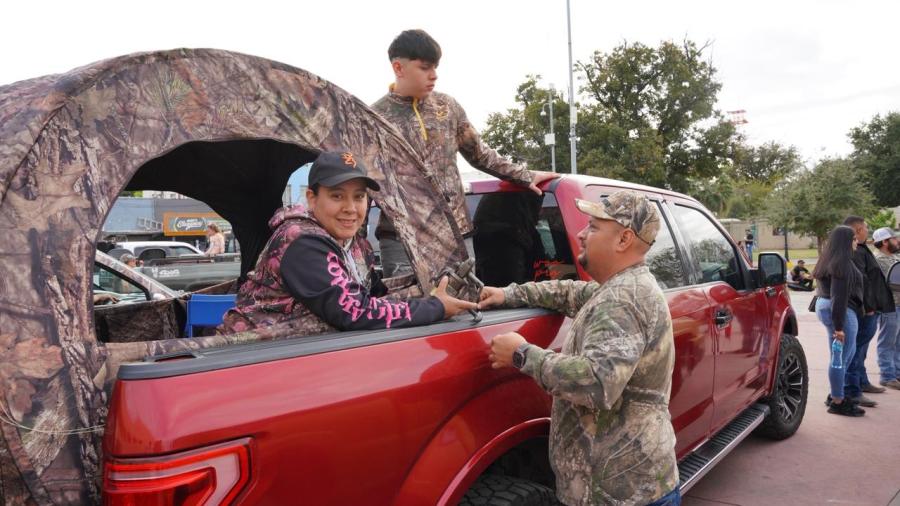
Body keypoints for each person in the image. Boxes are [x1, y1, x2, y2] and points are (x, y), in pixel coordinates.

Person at [479, 190, 679, 506]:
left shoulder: (622, 301)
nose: (582, 234)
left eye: (594, 228)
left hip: (621, 496)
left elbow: (598, 383)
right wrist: (509, 294)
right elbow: (571, 292)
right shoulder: (619, 288)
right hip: (625, 488)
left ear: (624, 239)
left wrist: (522, 354)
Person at [219, 151, 476, 334]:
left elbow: (377, 297)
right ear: (312, 198)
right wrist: (437, 308)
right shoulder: (301, 242)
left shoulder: (356, 244)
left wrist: (443, 293)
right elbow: (354, 312)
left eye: (359, 196)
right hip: (252, 357)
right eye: (337, 196)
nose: (350, 208)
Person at [371, 29, 558, 277]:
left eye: (436, 67)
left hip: (455, 235)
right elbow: (364, 183)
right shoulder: (375, 118)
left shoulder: (447, 107)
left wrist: (523, 176)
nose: (434, 75)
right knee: (406, 312)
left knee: (464, 307)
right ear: (399, 68)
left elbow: (480, 155)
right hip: (401, 238)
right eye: (425, 68)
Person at [813, 225, 866, 417]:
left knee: (841, 356)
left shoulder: (828, 259)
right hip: (840, 311)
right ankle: (837, 401)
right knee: (841, 358)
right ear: (845, 242)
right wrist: (839, 327)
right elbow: (839, 296)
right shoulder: (842, 263)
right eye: (853, 239)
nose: (856, 242)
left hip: (828, 306)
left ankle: (836, 394)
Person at [842, 216, 893, 405]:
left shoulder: (861, 248)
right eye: (865, 228)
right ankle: (853, 390)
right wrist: (869, 306)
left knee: (860, 350)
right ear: (856, 230)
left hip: (869, 308)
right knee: (855, 351)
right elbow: (861, 282)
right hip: (864, 309)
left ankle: (861, 382)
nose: (867, 231)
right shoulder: (854, 251)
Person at [872, 227, 900, 389]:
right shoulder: (880, 260)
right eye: (894, 239)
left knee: (898, 342)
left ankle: (896, 373)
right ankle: (887, 375)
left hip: (898, 305)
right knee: (887, 341)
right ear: (884, 242)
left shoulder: (894, 256)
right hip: (889, 306)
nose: (897, 241)